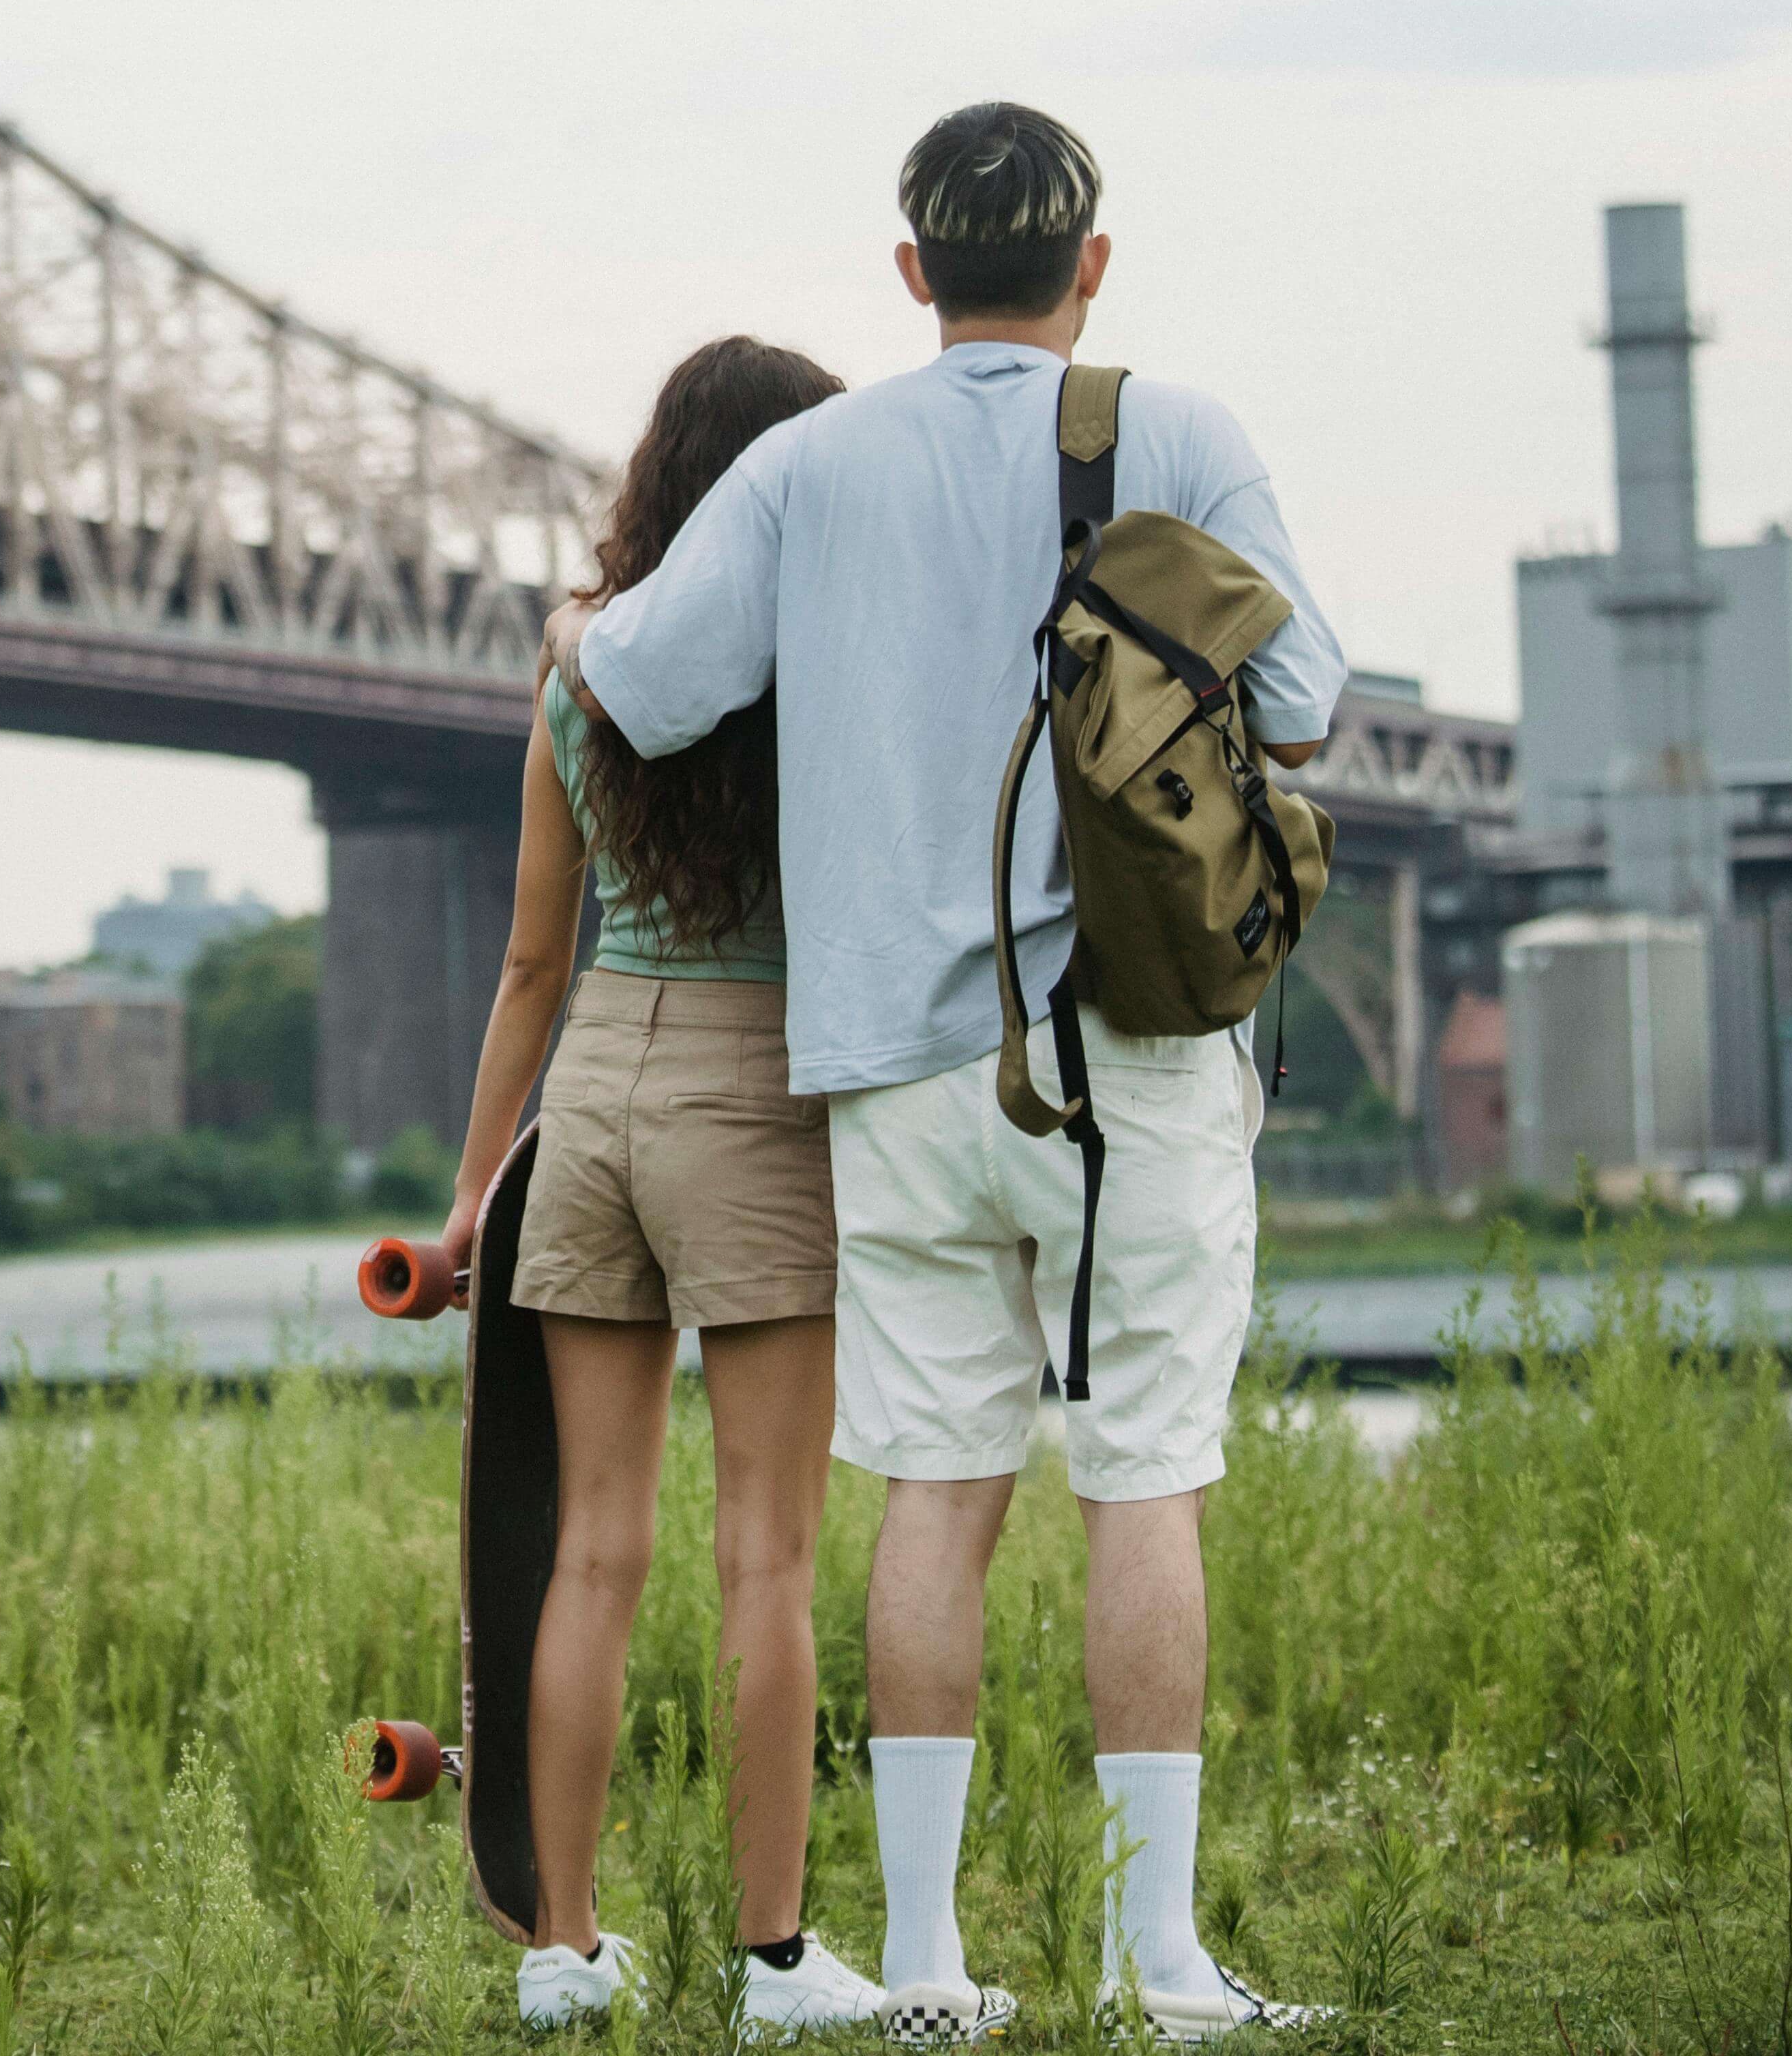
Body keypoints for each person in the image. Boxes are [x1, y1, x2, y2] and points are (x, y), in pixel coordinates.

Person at [548, 104, 1345, 2046]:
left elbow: (640, 682)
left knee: (934, 1489)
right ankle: (1153, 1964)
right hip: (1137, 1055)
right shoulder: (1181, 432)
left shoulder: (812, 465)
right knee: (1141, 1481)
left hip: (894, 1073)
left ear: (910, 272)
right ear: (1093, 265)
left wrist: (579, 616)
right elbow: (1309, 704)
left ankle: (920, 1966)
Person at [437, 336, 890, 2040]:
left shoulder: (576, 660)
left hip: (592, 1109)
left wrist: (480, 1187)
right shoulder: (823, 658)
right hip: (749, 1101)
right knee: (765, 1554)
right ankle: (776, 1964)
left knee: (591, 1553)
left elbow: (531, 961)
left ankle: (565, 1949)